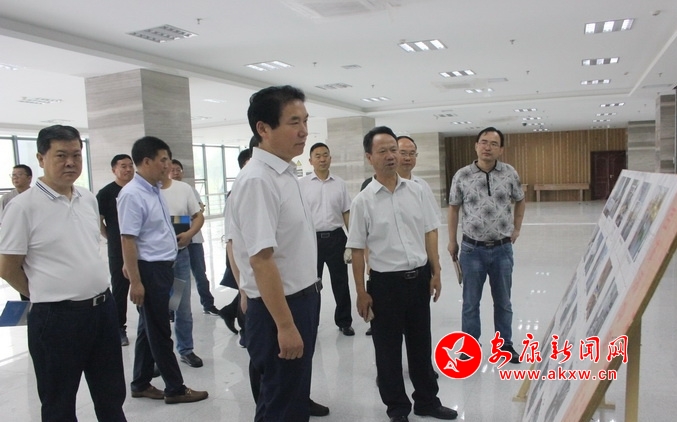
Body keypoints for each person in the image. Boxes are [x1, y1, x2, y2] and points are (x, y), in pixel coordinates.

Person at [0, 125, 127, 421]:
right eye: (61, 155)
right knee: (59, 402)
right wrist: (44, 292)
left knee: (111, 394)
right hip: (56, 318)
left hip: (102, 310)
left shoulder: (87, 198)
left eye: (76, 155)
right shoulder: (22, 207)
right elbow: (7, 267)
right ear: (41, 158)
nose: (70, 162)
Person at [347, 126, 456, 422]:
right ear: (369, 157)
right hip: (385, 286)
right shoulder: (363, 201)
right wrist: (361, 292)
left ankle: (427, 402)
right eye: (382, 151)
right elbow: (356, 249)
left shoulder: (417, 191)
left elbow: (429, 231)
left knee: (421, 344)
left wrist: (436, 271)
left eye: (393, 149)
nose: (391, 156)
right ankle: (397, 409)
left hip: (418, 279)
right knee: (388, 351)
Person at [230, 85, 322, 421]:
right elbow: (260, 259)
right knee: (283, 406)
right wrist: (285, 325)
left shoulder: (285, 173)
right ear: (263, 129)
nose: (304, 131)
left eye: (306, 121)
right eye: (294, 122)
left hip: (301, 300)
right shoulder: (258, 180)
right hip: (279, 309)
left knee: (286, 399)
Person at [118, 135, 208, 404]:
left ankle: (140, 383)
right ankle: (175, 388)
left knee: (148, 329)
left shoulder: (153, 189)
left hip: (166, 266)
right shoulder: (132, 194)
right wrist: (136, 281)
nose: (168, 165)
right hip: (151, 270)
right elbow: (127, 239)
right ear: (146, 161)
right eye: (163, 160)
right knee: (159, 331)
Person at [447, 126, 526, 364]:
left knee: (503, 302)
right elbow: (453, 208)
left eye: (493, 143)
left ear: (500, 149)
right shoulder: (462, 175)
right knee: (470, 302)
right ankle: (470, 345)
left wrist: (516, 229)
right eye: (483, 142)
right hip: (472, 250)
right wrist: (452, 241)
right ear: (476, 146)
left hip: (502, 249)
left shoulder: (509, 173)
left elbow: (520, 201)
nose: (487, 147)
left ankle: (505, 345)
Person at [298, 142, 354, 336]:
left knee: (341, 282)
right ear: (310, 160)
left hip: (336, 238)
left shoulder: (339, 183)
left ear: (330, 158)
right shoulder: (302, 185)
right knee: (312, 284)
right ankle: (312, 323)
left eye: (325, 155)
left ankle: (344, 321)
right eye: (318, 156)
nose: (322, 159)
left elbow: (346, 212)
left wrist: (352, 241)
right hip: (311, 240)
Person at [160, 158, 205, 368]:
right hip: (154, 261)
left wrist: (189, 234)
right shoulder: (144, 190)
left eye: (166, 161)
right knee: (156, 309)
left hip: (179, 256)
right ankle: (157, 354)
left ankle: (186, 349)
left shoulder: (183, 189)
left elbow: (197, 216)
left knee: (180, 305)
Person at [169, 159, 220, 316]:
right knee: (178, 279)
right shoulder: (163, 191)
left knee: (200, 274)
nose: (176, 173)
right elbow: (170, 218)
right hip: (177, 241)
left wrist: (187, 217)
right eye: (172, 170)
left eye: (178, 170)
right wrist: (187, 217)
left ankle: (208, 304)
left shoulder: (189, 189)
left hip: (195, 239)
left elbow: (199, 212)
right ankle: (173, 309)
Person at [97, 154, 135, 346]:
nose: (128, 169)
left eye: (130, 165)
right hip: (117, 249)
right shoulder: (105, 193)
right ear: (114, 170)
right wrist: (111, 237)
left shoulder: (140, 189)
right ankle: (119, 328)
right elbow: (99, 222)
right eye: (123, 166)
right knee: (120, 289)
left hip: (141, 247)